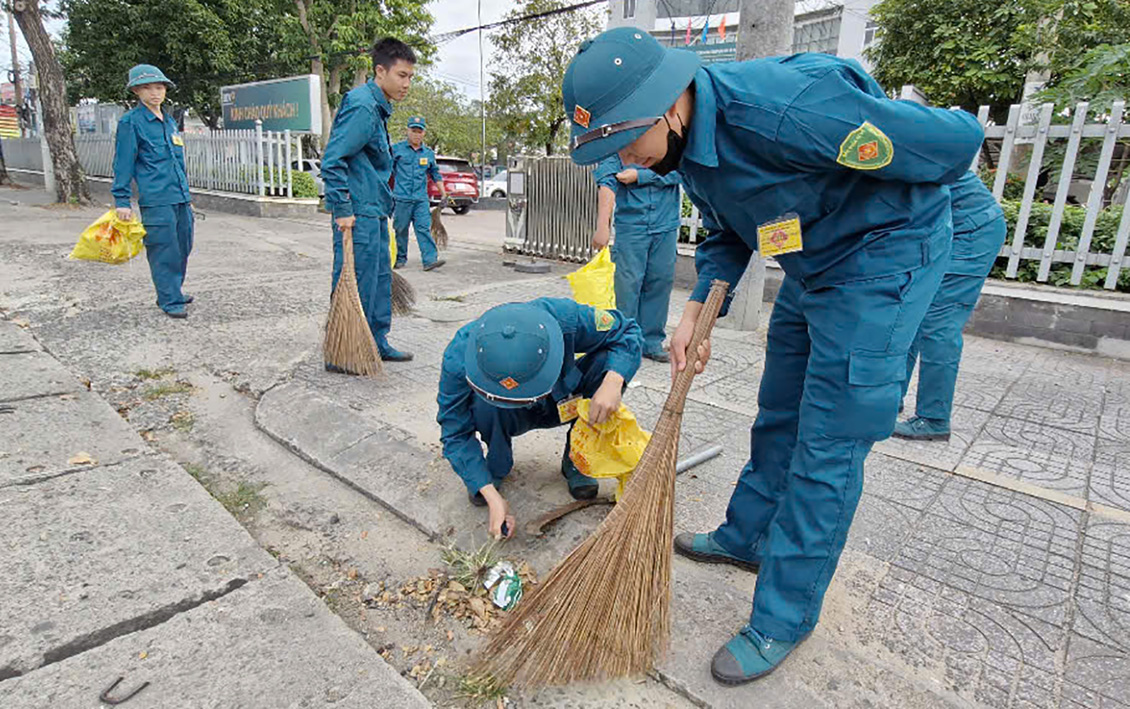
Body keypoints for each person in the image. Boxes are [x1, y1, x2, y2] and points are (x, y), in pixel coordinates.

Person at [562, 28, 983, 685]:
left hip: (884, 257)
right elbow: (731, 227)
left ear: (668, 105)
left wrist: (904, 166)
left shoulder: (793, 109)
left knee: (830, 441)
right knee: (778, 408)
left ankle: (785, 614)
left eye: (626, 142)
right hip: (813, 260)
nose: (627, 160)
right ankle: (747, 535)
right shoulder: (687, 148)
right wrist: (700, 306)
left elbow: (954, 144)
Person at [437, 298, 642, 540]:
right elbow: (454, 430)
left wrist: (613, 381)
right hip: (504, 415)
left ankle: (578, 458)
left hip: (564, 399)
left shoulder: (567, 318)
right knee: (481, 405)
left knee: (607, 362)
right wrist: (492, 497)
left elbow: (627, 330)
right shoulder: (461, 353)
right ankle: (495, 466)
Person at [321, 37, 417, 363]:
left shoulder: (377, 107)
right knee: (356, 281)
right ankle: (343, 351)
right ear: (380, 71)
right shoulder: (362, 106)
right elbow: (333, 159)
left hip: (374, 209)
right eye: (402, 75)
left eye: (410, 77)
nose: (407, 84)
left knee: (377, 280)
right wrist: (343, 208)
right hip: (358, 210)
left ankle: (375, 341)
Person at [895, 171, 1006, 440]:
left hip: (970, 230)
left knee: (938, 325)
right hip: (939, 229)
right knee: (909, 316)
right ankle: (887, 398)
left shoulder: (884, 141)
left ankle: (933, 419)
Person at [111, 64, 193, 319]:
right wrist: (121, 200)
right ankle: (168, 299)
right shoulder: (131, 122)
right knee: (163, 248)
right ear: (137, 90)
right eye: (147, 88)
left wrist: (187, 197)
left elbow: (178, 162)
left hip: (179, 196)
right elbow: (123, 162)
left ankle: (174, 290)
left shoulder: (168, 121)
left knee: (183, 245)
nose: (155, 93)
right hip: (156, 199)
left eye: (159, 87)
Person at [591, 154, 681, 362]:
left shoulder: (668, 141)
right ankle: (624, 342)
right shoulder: (619, 144)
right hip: (632, 227)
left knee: (660, 280)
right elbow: (607, 181)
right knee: (627, 285)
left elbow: (680, 172)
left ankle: (651, 342)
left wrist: (641, 175)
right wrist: (602, 226)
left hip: (665, 225)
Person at [391, 116, 447, 271]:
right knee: (401, 229)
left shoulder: (428, 154)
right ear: (407, 131)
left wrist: (444, 194)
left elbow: (435, 174)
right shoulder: (396, 150)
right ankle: (400, 258)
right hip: (401, 198)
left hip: (421, 199)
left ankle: (429, 260)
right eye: (413, 130)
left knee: (423, 228)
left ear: (424, 133)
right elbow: (386, 171)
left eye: (419, 131)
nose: (416, 134)